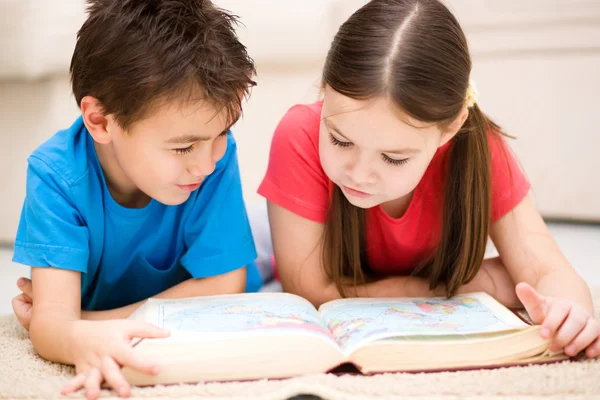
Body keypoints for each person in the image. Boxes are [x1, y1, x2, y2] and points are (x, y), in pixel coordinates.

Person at [258, 0, 599, 362]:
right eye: (340, 141)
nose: (358, 173)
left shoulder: (477, 146)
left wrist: (571, 313)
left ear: (448, 129)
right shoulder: (299, 134)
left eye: (394, 157)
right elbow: (310, 290)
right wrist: (483, 283)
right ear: (323, 91)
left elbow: (549, 271)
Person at [10, 0, 259, 398]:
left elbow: (227, 284)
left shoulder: (213, 157)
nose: (207, 164)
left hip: (227, 269)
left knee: (262, 251)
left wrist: (89, 321)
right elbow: (52, 328)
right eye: (183, 148)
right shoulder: (56, 174)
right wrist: (64, 329)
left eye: (222, 133)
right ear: (100, 121)